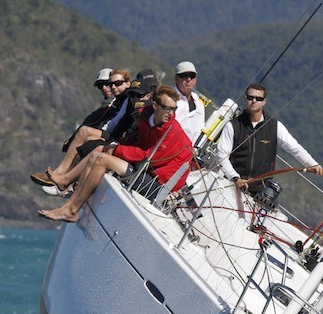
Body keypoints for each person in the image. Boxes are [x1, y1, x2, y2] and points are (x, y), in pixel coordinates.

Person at [38, 85, 193, 222]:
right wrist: (115, 146)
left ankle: (71, 210)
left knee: (101, 160)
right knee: (98, 150)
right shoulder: (147, 117)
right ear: (155, 105)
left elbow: (149, 157)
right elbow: (140, 144)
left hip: (158, 183)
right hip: (145, 169)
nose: (171, 113)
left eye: (174, 109)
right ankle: (66, 188)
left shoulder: (172, 131)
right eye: (167, 108)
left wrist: (117, 150)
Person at [217, 82, 323, 194]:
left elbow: (295, 148)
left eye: (258, 98)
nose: (254, 101)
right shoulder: (233, 125)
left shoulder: (275, 126)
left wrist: (313, 165)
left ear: (264, 102)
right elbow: (222, 155)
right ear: (246, 99)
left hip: (260, 192)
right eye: (250, 97)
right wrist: (235, 178)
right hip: (230, 186)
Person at [32, 68, 133, 183]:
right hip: (109, 133)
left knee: (85, 135)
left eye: (116, 84)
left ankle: (64, 179)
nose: (109, 87)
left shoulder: (127, 99)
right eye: (105, 85)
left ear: (128, 83)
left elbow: (117, 125)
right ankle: (61, 175)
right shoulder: (119, 100)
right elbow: (95, 121)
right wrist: (72, 139)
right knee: (84, 134)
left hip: (114, 137)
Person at [173, 61, 205, 145]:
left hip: (190, 153)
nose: (189, 79)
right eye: (184, 76)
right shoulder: (169, 99)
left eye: (192, 76)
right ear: (176, 78)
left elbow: (199, 129)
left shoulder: (199, 104)